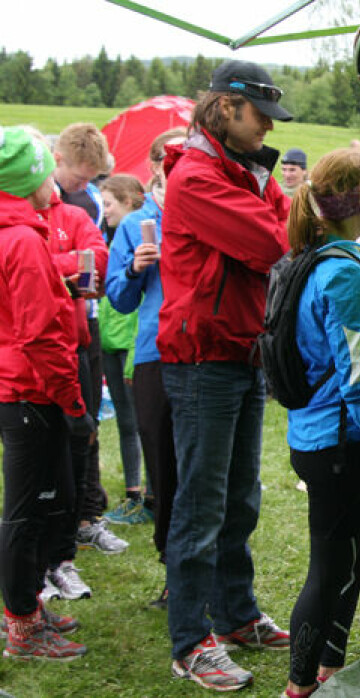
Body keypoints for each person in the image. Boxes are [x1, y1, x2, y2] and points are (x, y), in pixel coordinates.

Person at [158, 59, 292, 690]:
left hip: (242, 350)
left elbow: (289, 221)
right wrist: (283, 213)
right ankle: (190, 640)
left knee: (240, 497)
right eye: (259, 114)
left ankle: (236, 614)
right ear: (224, 109)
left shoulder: (245, 168)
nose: (267, 127)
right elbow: (275, 241)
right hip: (203, 357)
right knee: (201, 504)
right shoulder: (196, 177)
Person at [282, 148, 360, 698]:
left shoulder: (314, 257)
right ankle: (300, 684)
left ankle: (321, 672)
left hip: (313, 435)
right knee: (329, 571)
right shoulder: (343, 274)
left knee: (346, 557)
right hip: (339, 444)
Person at [0, 127, 90, 661]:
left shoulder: (18, 233)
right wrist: (72, 401)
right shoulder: (24, 240)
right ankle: (22, 624)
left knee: (35, 505)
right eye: (44, 170)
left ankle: (27, 605)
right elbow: (41, 334)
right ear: (29, 179)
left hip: (22, 386)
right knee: (26, 510)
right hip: (32, 391)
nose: (52, 178)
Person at [43, 124, 127, 604]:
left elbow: (94, 252)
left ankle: (84, 520)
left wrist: (74, 263)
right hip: (44, 334)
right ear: (57, 158)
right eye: (78, 176)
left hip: (82, 327)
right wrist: (66, 264)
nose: (82, 185)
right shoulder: (36, 203)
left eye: (90, 178)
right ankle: (48, 548)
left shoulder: (86, 201)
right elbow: (40, 260)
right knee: (45, 439)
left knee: (86, 425)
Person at [106, 128, 186, 609]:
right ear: (155, 165)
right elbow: (118, 296)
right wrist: (136, 267)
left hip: (203, 356)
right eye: (167, 157)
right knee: (164, 470)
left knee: (204, 473)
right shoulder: (137, 224)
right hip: (155, 356)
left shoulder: (201, 215)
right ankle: (174, 572)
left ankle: (207, 574)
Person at [98, 175, 147, 525]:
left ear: (129, 201)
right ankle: (133, 491)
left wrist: (133, 358)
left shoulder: (141, 242)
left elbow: (139, 307)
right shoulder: (109, 239)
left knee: (134, 424)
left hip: (130, 347)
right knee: (124, 423)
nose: (104, 211)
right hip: (108, 344)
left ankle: (139, 495)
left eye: (108, 204)